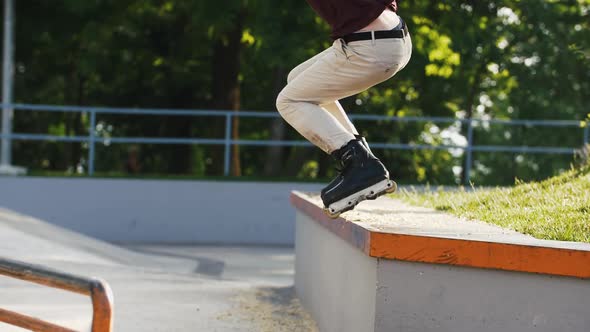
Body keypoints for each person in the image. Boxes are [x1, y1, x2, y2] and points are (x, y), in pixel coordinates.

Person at [276, 0, 412, 217]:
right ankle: (363, 159)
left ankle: (359, 163)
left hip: (370, 47)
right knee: (296, 81)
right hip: (391, 35)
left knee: (289, 101)